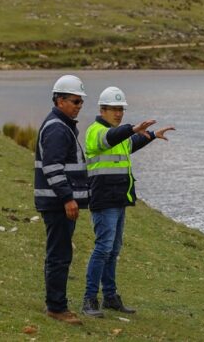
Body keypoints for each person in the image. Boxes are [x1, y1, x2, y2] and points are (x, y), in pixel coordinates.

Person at [81, 85, 175, 318]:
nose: (119, 113)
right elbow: (110, 139)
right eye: (114, 109)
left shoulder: (118, 134)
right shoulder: (96, 131)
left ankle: (110, 297)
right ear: (102, 110)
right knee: (103, 248)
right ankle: (89, 299)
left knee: (113, 250)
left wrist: (151, 135)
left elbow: (130, 144)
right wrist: (131, 128)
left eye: (121, 109)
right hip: (104, 199)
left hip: (119, 198)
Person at [34, 75, 90, 325]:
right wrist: (68, 199)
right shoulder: (57, 127)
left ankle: (56, 304)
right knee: (59, 254)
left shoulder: (61, 125)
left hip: (57, 203)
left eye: (81, 102)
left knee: (59, 252)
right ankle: (57, 307)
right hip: (57, 204)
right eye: (75, 101)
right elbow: (53, 168)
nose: (79, 106)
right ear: (60, 101)